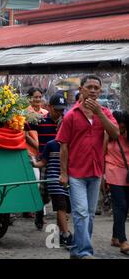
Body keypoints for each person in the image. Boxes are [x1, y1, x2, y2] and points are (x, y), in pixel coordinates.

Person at [57, 75, 119, 259]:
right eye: (89, 87)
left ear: (100, 91)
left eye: (96, 88)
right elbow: (64, 146)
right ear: (81, 89)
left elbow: (115, 133)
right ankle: (84, 252)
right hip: (76, 172)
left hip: (96, 170)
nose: (92, 90)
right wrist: (63, 173)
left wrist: (99, 113)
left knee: (90, 214)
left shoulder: (106, 113)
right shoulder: (71, 116)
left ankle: (77, 250)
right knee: (81, 212)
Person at [27, 93, 66, 229]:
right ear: (49, 107)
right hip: (44, 161)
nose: (60, 113)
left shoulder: (67, 121)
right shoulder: (40, 121)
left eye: (62, 109)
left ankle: (61, 223)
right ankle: (39, 211)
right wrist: (33, 146)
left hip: (62, 162)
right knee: (44, 193)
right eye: (57, 109)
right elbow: (23, 130)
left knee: (61, 193)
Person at [32, 118, 73, 248]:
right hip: (54, 180)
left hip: (68, 181)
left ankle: (60, 233)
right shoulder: (51, 144)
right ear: (58, 129)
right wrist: (33, 163)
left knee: (64, 208)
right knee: (61, 207)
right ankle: (66, 234)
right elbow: (43, 162)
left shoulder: (72, 144)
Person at [103, 110, 129, 255]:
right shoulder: (109, 134)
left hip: (127, 174)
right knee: (120, 205)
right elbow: (102, 152)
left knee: (125, 207)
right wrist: (101, 175)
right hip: (113, 172)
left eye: (123, 126)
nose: (120, 129)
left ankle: (115, 237)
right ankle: (123, 241)